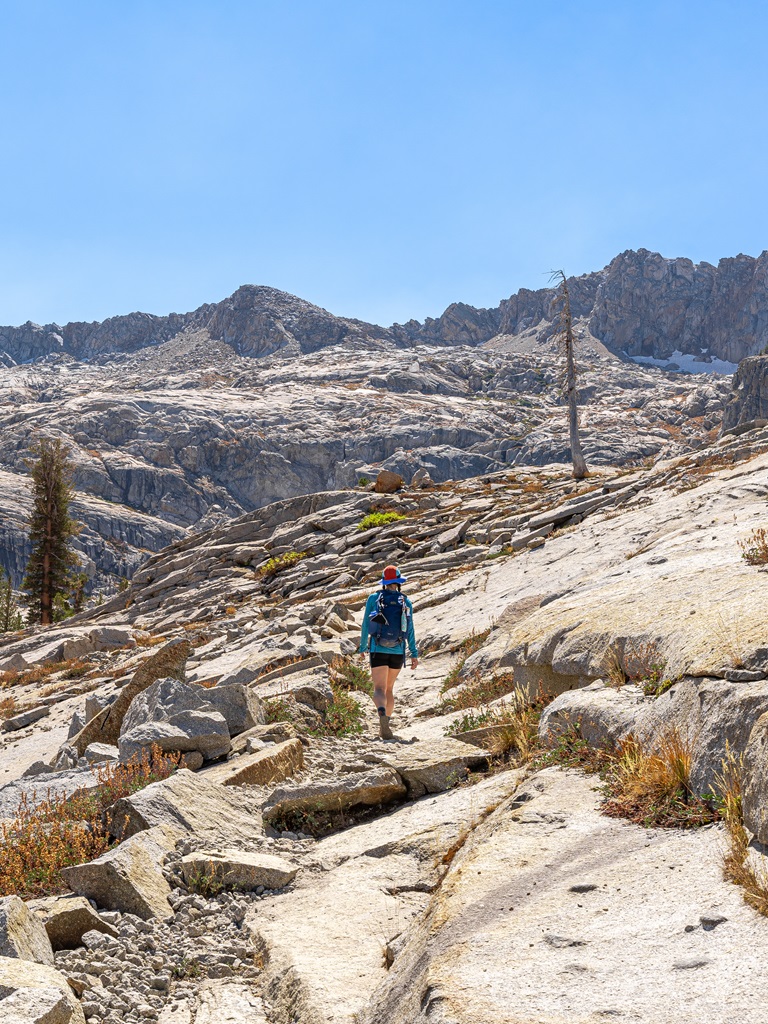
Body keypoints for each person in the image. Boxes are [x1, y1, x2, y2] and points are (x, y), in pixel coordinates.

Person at [358, 564, 419, 739]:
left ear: (384, 582)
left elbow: (365, 625)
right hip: (398, 651)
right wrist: (413, 653)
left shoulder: (374, 598)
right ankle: (387, 723)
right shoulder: (405, 601)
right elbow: (410, 629)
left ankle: (381, 714)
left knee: (379, 688)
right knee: (389, 689)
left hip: (378, 648)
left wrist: (363, 647)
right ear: (399, 582)